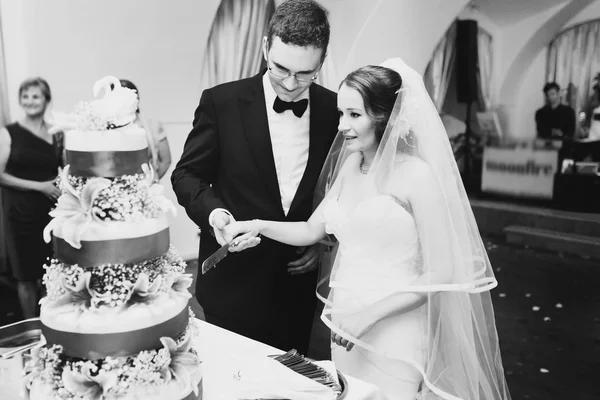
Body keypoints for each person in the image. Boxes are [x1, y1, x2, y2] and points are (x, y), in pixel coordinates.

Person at [225, 60, 511, 400]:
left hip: (394, 328)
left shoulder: (417, 176)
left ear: (384, 115)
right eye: (340, 113)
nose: (342, 125)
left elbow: (442, 272)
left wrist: (369, 316)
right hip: (346, 321)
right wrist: (256, 224)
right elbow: (309, 230)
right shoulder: (351, 165)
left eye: (354, 115)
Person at [171, 0, 338, 354]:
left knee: (291, 382)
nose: (291, 85)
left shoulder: (334, 109)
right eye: (281, 68)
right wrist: (216, 214)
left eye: (306, 73)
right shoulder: (221, 102)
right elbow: (186, 174)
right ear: (265, 47)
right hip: (233, 278)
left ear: (322, 62)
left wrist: (320, 239)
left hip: (296, 281)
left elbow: (337, 187)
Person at [0, 78, 63, 319]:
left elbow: (64, 169)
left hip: (49, 213)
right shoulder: (8, 133)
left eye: (35, 96)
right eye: (25, 97)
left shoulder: (56, 135)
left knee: (50, 272)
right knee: (25, 275)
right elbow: (0, 176)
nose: (30, 101)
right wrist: (40, 187)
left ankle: (51, 324)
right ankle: (30, 329)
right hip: (19, 213)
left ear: (46, 100)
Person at [116, 79, 172, 180]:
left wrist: (151, 182)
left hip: (146, 186)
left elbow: (166, 160)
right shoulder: (104, 128)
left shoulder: (153, 125)